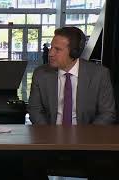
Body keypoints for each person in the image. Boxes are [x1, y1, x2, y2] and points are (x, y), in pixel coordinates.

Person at [27, 26, 116, 179]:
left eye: (57, 49)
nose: (51, 53)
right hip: (50, 141)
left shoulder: (99, 74)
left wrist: (84, 137)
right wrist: (50, 134)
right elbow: (34, 109)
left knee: (107, 165)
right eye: (51, 47)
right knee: (26, 162)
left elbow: (108, 113)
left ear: (74, 53)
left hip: (88, 142)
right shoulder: (41, 74)